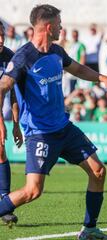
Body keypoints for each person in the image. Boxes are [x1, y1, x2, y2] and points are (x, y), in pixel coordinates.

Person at [0, 4, 107, 239]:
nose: (61, 27)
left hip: (64, 128)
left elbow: (77, 68)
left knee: (98, 172)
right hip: (40, 134)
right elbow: (4, 85)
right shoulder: (24, 56)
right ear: (48, 27)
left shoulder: (57, 52)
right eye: (58, 23)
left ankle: (89, 230)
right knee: (32, 191)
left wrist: (104, 78)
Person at [0, 20, 23, 226]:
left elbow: (13, 94)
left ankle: (4, 201)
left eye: (2, 35)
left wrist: (15, 123)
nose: (0, 40)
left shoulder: (9, 56)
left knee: (0, 150)